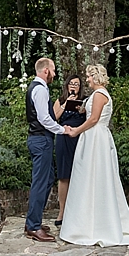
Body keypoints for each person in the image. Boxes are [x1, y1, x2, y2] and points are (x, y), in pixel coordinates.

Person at [59, 64, 129, 246]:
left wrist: (76, 131)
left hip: (96, 138)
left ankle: (96, 224)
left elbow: (94, 119)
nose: (87, 80)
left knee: (96, 176)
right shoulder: (96, 94)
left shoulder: (99, 94)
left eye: (89, 76)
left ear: (95, 77)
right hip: (92, 137)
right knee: (88, 177)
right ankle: (87, 222)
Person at [24, 56, 65, 242]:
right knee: (40, 182)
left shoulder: (38, 88)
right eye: (53, 70)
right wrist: (62, 130)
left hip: (40, 139)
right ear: (46, 70)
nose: (54, 74)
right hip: (41, 140)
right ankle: (33, 226)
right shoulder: (40, 89)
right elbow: (44, 118)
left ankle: (33, 221)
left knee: (47, 179)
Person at [53, 72, 86, 228]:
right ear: (67, 86)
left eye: (76, 84)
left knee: (79, 174)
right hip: (64, 137)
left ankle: (79, 212)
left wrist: (83, 110)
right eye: (71, 84)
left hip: (80, 138)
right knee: (64, 175)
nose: (74, 86)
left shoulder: (85, 100)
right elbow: (54, 117)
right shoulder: (60, 100)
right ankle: (62, 211)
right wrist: (66, 104)